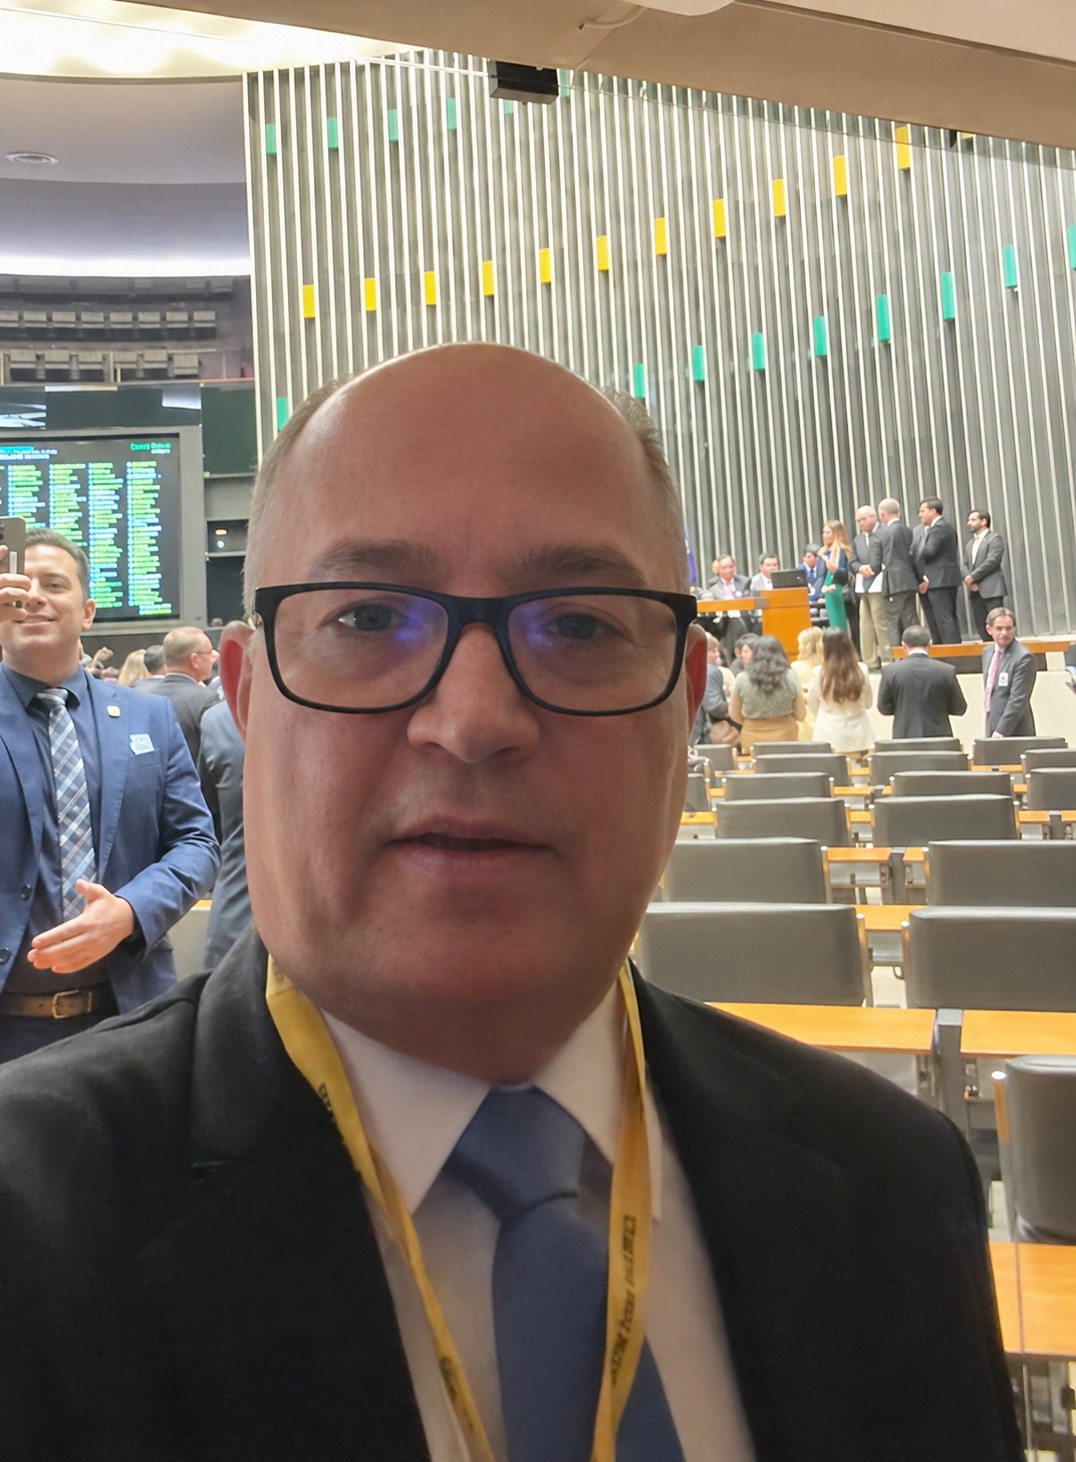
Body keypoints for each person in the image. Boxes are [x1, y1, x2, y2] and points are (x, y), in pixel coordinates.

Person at [0, 347, 1019, 1461]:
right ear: (247, 698)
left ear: (682, 705)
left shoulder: (893, 1186)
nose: (473, 719)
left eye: (577, 625)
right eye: (368, 619)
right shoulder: (30, 1228)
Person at [0, 528, 219, 1063]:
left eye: (54, 584)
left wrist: (129, 910)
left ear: (87, 612)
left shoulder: (149, 717)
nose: (34, 597)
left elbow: (196, 843)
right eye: (18, 586)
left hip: (128, 1021)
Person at [197, 698, 252, 966]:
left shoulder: (217, 719)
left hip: (235, 911)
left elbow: (208, 815)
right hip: (239, 921)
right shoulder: (217, 719)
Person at [138, 624, 221, 764]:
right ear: (195, 660)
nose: (214, 657)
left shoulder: (143, 699)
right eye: (209, 652)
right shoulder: (207, 700)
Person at [876, 625, 967, 739]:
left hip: (904, 739)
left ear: (904, 646)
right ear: (930, 645)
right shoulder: (946, 671)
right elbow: (960, 708)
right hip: (939, 741)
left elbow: (884, 708)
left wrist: (902, 708)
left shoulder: (890, 672)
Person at [729, 633, 805, 752]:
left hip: (752, 738)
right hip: (785, 737)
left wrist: (750, 722)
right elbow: (800, 714)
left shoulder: (741, 679)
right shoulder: (791, 677)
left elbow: (734, 714)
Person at [806, 629, 875, 756]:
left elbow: (812, 705)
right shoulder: (862, 669)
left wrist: (827, 711)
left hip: (828, 734)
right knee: (861, 768)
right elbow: (868, 703)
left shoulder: (818, 673)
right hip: (860, 735)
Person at [913, 498, 962, 646]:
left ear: (933, 511)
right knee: (934, 619)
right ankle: (940, 648)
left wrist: (911, 556)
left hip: (940, 579)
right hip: (936, 580)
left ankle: (950, 650)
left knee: (944, 618)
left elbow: (928, 552)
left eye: (923, 511)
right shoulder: (938, 528)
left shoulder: (939, 528)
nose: (920, 515)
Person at [983, 606, 1037, 738]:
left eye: (1008, 628)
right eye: (999, 628)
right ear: (989, 629)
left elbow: (1018, 699)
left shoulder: (1023, 657)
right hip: (992, 722)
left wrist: (1001, 731)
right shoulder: (987, 652)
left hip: (1015, 730)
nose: (1004, 633)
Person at [877, 498, 919, 648]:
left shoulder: (885, 532)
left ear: (882, 515)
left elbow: (886, 559)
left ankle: (896, 656)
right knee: (910, 620)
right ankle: (917, 649)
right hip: (909, 580)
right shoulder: (907, 530)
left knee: (892, 621)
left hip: (894, 582)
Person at [962, 509, 1009, 641]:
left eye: (973, 520)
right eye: (968, 520)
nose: (968, 523)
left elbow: (992, 561)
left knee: (997, 624)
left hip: (991, 589)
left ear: (983, 521)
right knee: (982, 626)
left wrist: (973, 577)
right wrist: (967, 579)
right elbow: (964, 565)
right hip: (974, 591)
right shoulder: (970, 544)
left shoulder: (994, 539)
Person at [850, 504, 887, 669]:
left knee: (881, 622)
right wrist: (860, 568)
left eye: (863, 520)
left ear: (873, 517)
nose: (860, 523)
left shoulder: (884, 533)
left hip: (880, 584)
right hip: (862, 586)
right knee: (865, 623)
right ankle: (869, 661)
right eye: (858, 521)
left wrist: (872, 568)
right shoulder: (857, 539)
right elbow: (852, 560)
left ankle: (887, 658)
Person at [818, 519, 853, 636]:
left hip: (837, 591)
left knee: (839, 623)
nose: (824, 535)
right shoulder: (823, 552)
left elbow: (843, 574)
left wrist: (832, 567)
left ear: (837, 534)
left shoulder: (841, 552)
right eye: (823, 532)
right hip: (827, 591)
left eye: (828, 532)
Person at [791, 625, 824, 738]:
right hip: (825, 720)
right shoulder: (829, 667)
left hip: (803, 723)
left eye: (800, 644)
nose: (798, 647)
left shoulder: (795, 667)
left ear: (807, 646)